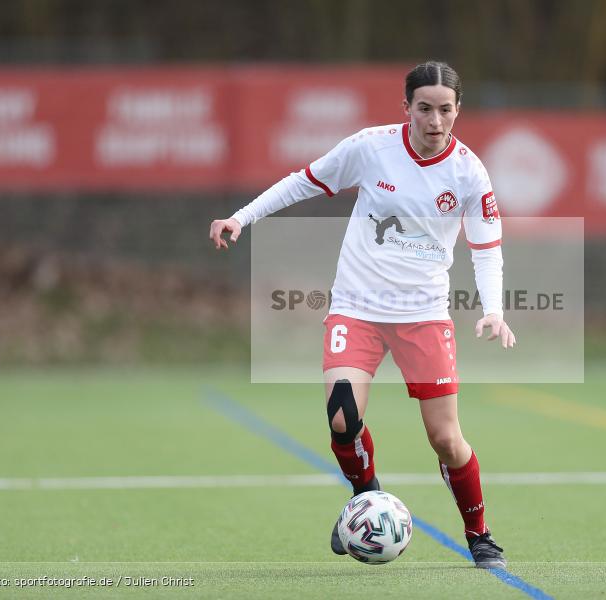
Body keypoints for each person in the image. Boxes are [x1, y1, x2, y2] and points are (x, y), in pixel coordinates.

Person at [209, 61, 515, 569]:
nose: (434, 121)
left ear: (458, 110)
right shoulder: (370, 148)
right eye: (424, 108)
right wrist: (241, 218)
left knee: (445, 437)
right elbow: (301, 182)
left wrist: (494, 309)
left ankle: (480, 534)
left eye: (445, 109)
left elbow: (487, 248)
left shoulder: (469, 172)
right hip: (358, 309)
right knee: (341, 419)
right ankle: (366, 499)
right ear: (407, 109)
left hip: (423, 316)